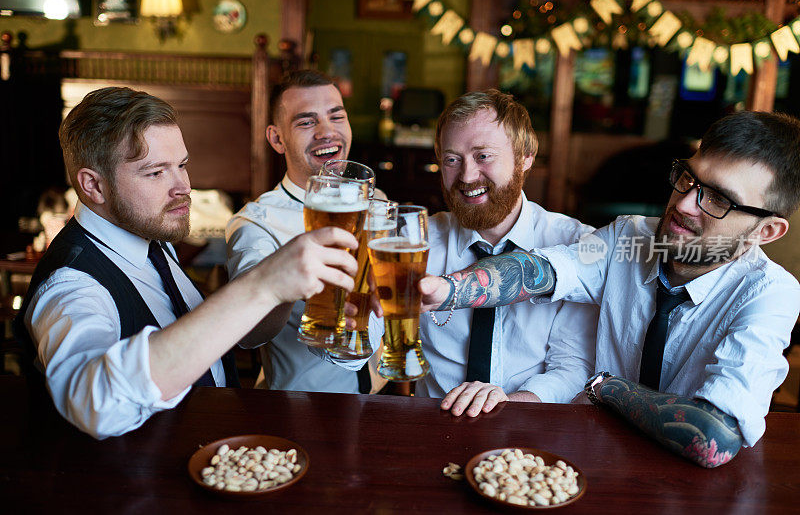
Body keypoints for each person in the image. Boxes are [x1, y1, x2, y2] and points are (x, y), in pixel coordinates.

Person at [419, 110, 800, 468]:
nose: (684, 203)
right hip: (591, 460)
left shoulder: (768, 294)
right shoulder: (631, 237)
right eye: (688, 179)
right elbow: (542, 268)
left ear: (766, 231)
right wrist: (447, 289)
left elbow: (712, 437)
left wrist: (604, 387)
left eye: (717, 198)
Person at [15, 87, 359, 439]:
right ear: (93, 186)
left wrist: (285, 289)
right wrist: (264, 283)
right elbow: (96, 403)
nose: (184, 187)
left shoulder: (152, 238)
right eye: (155, 173)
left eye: (181, 165)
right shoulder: (69, 284)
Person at [414, 90, 597, 416]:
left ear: (525, 157)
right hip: (431, 424)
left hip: (529, 433)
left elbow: (572, 367)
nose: (467, 176)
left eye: (483, 156)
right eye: (452, 159)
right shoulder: (416, 240)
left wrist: (505, 407)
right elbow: (364, 346)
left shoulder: (573, 242)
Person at [226, 70, 382, 393]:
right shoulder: (256, 223)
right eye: (307, 122)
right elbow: (248, 333)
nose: (327, 132)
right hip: (303, 408)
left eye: (336, 117)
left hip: (381, 401)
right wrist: (288, 281)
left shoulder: (375, 200)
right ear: (277, 139)